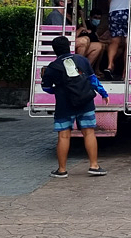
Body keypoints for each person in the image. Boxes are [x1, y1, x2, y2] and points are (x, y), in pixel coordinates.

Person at [41, 36, 109, 178]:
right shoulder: (82, 60)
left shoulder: (52, 67)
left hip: (64, 105)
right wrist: (103, 93)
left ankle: (62, 170)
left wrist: (58, 91)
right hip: (85, 102)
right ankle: (94, 166)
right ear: (70, 46)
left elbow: (46, 87)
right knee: (89, 133)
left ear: (54, 50)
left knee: (64, 136)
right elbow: (92, 80)